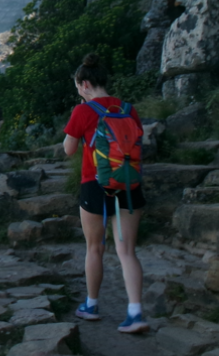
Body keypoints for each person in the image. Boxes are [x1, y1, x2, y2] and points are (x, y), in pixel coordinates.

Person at [62, 53, 148, 334]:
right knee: (126, 251)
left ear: (85, 84)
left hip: (95, 185)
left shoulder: (83, 111)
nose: (79, 92)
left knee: (94, 248)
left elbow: (69, 149)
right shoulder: (128, 108)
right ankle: (135, 313)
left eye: (78, 88)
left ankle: (91, 305)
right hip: (128, 185)